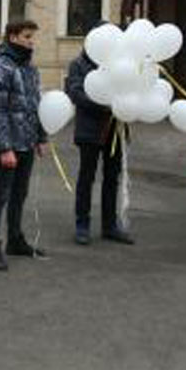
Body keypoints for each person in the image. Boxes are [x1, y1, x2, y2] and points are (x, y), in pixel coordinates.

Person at [0, 19, 48, 271]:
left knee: (20, 193)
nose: (31, 41)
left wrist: (41, 137)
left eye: (32, 37)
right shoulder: (1, 66)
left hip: (27, 141)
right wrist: (4, 148)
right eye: (27, 36)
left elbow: (35, 104)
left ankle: (15, 239)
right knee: (1, 195)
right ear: (13, 37)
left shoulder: (29, 68)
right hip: (9, 143)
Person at [64, 32, 134, 245]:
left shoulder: (117, 62)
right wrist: (105, 106)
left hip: (115, 130)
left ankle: (109, 225)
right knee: (87, 178)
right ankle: (82, 225)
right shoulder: (78, 64)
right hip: (89, 130)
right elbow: (75, 93)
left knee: (112, 178)